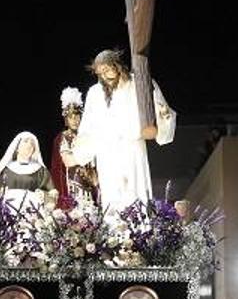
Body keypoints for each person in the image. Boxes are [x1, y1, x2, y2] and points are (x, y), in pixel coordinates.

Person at [66, 49, 176, 210]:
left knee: (136, 196)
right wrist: (78, 153)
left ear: (116, 65)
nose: (104, 76)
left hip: (132, 149)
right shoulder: (95, 93)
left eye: (107, 70)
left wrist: (163, 116)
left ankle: (140, 233)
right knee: (113, 201)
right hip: (107, 154)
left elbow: (158, 107)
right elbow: (88, 128)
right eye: (100, 73)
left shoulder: (138, 83)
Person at [49, 87, 98, 208]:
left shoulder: (88, 136)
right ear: (66, 119)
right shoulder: (62, 137)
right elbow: (60, 166)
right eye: (71, 117)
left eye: (77, 116)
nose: (75, 120)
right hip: (71, 185)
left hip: (90, 183)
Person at [0, 131, 57, 213]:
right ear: (17, 148)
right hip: (8, 212)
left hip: (33, 213)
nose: (29, 146)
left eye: (32, 144)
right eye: (25, 142)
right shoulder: (6, 169)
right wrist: (1, 194)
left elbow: (52, 193)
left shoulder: (40, 170)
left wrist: (44, 196)